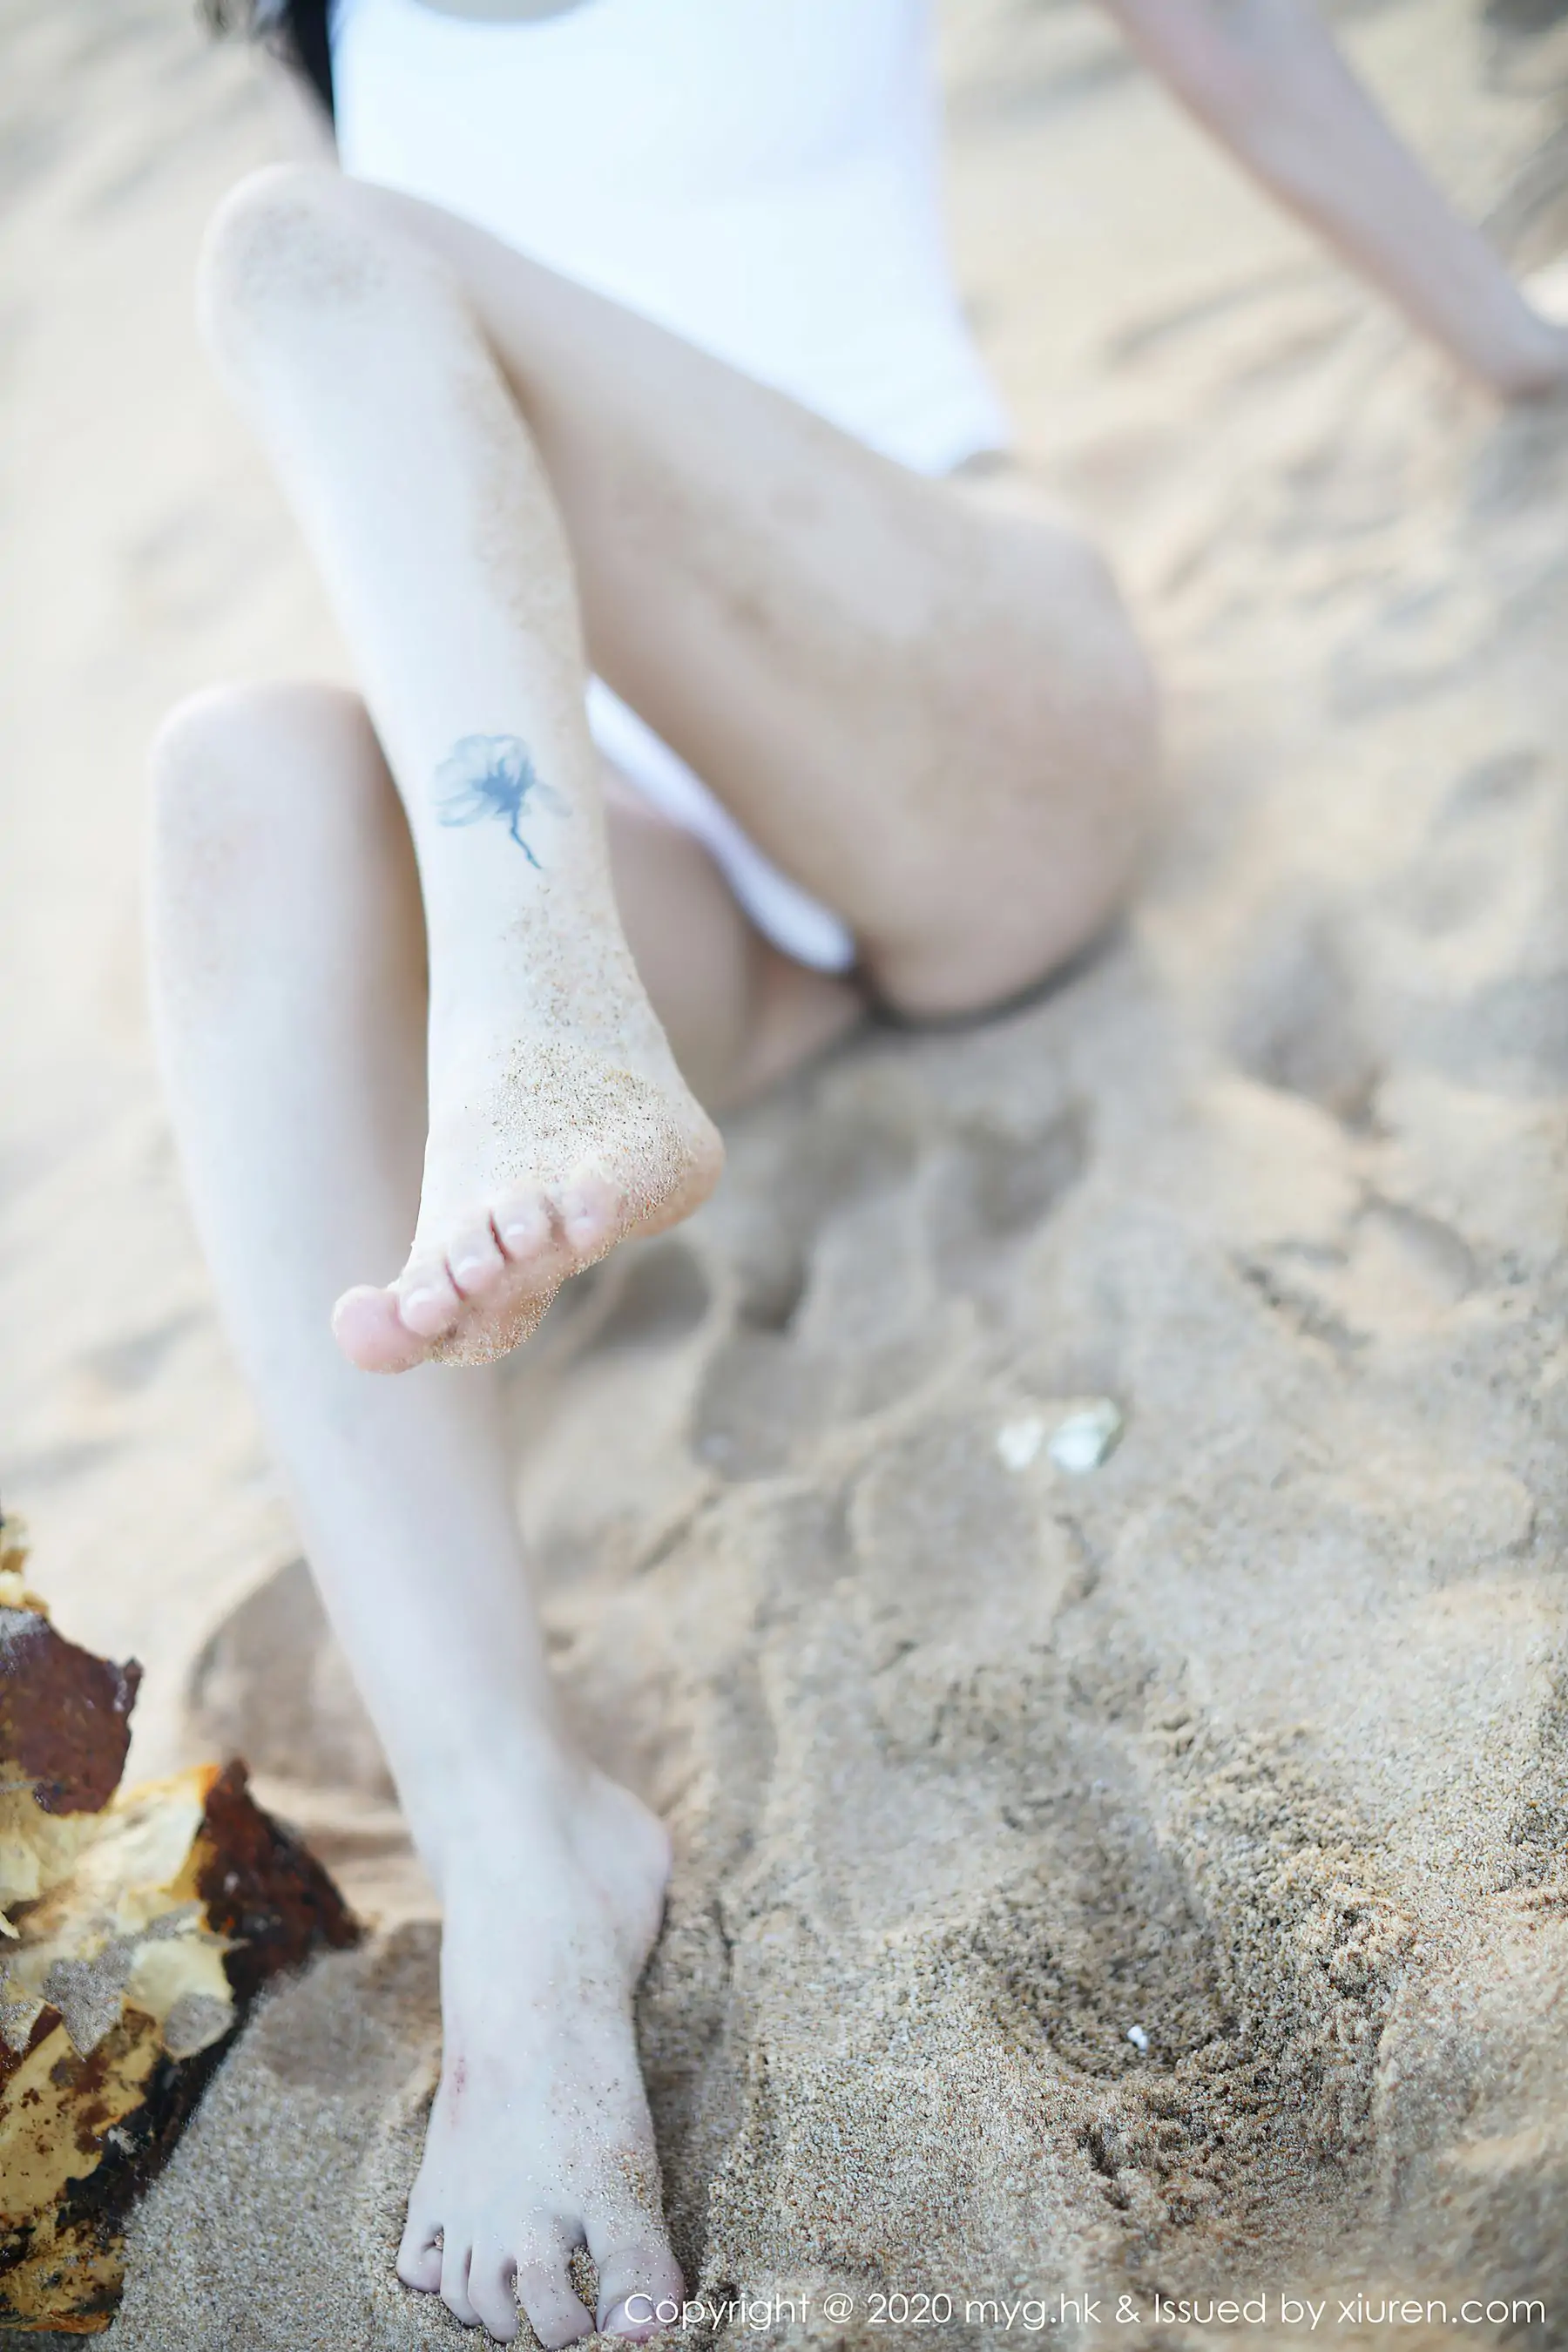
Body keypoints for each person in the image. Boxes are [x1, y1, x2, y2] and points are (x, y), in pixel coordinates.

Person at [147, 3, 1568, 2340]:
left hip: (936, 701)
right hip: (641, 854)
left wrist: (1510, 341)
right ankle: (518, 1838)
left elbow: (1232, 42)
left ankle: (535, 1013)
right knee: (230, 777)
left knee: (299, 247)